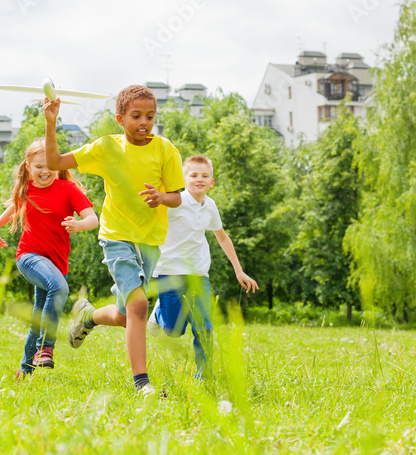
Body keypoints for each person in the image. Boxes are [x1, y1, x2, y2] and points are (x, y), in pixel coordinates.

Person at [45, 85, 184, 396]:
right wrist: (51, 121)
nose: (144, 122)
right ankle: (142, 385)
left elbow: (177, 197)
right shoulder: (107, 148)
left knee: (126, 316)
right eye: (136, 116)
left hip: (149, 242)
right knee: (139, 307)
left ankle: (88, 316)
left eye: (150, 116)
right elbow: (55, 162)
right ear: (120, 119)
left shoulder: (165, 149)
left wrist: (162, 197)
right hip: (116, 237)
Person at [0, 139, 97, 379]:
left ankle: (24, 370)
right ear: (28, 166)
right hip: (29, 256)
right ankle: (46, 347)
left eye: (50, 165)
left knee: (39, 316)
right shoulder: (26, 189)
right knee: (59, 288)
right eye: (39, 166)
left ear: (59, 166)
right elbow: (14, 208)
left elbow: (92, 218)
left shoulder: (68, 189)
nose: (45, 171)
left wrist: (78, 225)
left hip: (56, 263)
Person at [148, 155, 259, 379]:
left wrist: (239, 270)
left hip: (198, 274)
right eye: (194, 175)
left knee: (204, 325)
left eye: (204, 176)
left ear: (212, 182)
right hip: (169, 272)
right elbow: (152, 224)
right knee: (174, 330)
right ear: (184, 179)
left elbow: (222, 238)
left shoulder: (210, 206)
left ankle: (204, 373)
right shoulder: (175, 202)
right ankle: (158, 313)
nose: (199, 179)